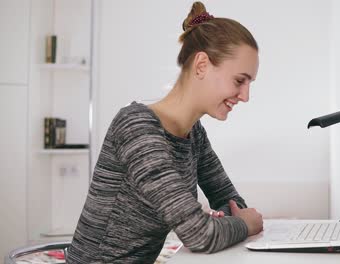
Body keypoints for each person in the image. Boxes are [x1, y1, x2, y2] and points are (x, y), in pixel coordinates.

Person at [66, 1, 263, 263]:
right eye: (240, 80)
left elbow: (231, 202)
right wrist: (244, 225)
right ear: (202, 64)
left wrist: (228, 220)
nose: (246, 96)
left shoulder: (194, 134)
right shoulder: (136, 127)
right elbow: (200, 235)